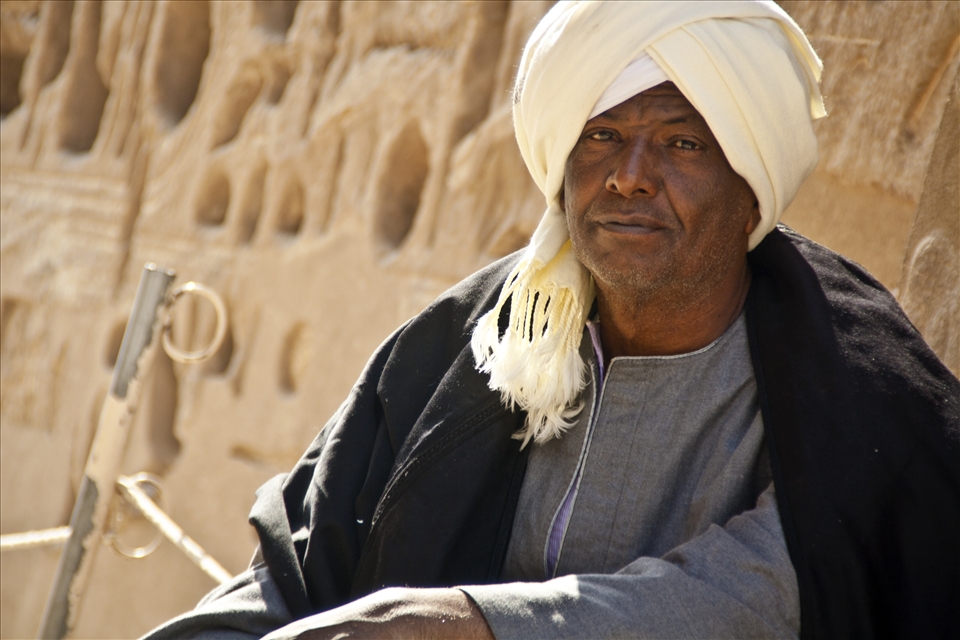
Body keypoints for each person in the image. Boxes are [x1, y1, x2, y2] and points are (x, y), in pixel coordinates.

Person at [144, 2, 960, 639]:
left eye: (681, 143)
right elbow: (302, 563)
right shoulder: (472, 341)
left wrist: (473, 624)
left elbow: (781, 591)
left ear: (752, 180)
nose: (630, 178)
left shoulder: (853, 383)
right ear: (562, 166)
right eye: (601, 135)